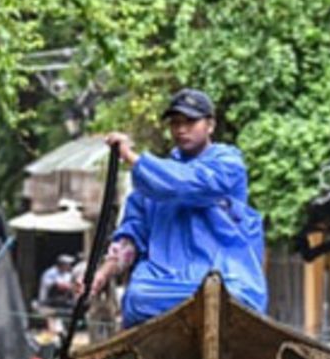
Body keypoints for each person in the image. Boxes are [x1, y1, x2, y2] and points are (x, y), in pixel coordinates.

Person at [90, 88, 266, 327]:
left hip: (228, 279)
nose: (182, 129)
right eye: (175, 123)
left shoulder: (228, 164)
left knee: (230, 298)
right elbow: (131, 236)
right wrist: (100, 275)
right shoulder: (151, 183)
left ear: (210, 125)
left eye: (191, 122)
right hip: (162, 286)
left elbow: (186, 184)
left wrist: (132, 158)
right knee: (137, 298)